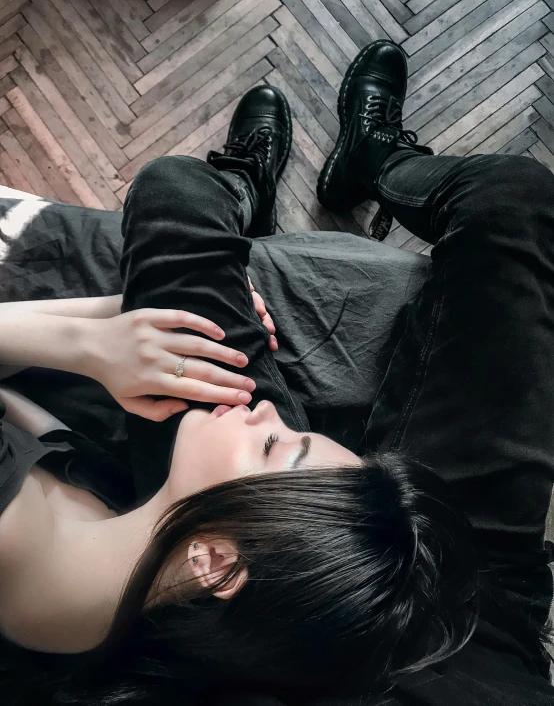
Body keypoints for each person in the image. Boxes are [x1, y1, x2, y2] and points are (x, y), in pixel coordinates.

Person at [0, 38, 551, 706]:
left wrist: (87, 344)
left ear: (213, 562)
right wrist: (107, 323)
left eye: (277, 439)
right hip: (423, 601)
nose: (268, 410)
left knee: (175, 196)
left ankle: (244, 191)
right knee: (515, 198)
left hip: (284, 574)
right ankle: (377, 162)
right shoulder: (142, 573)